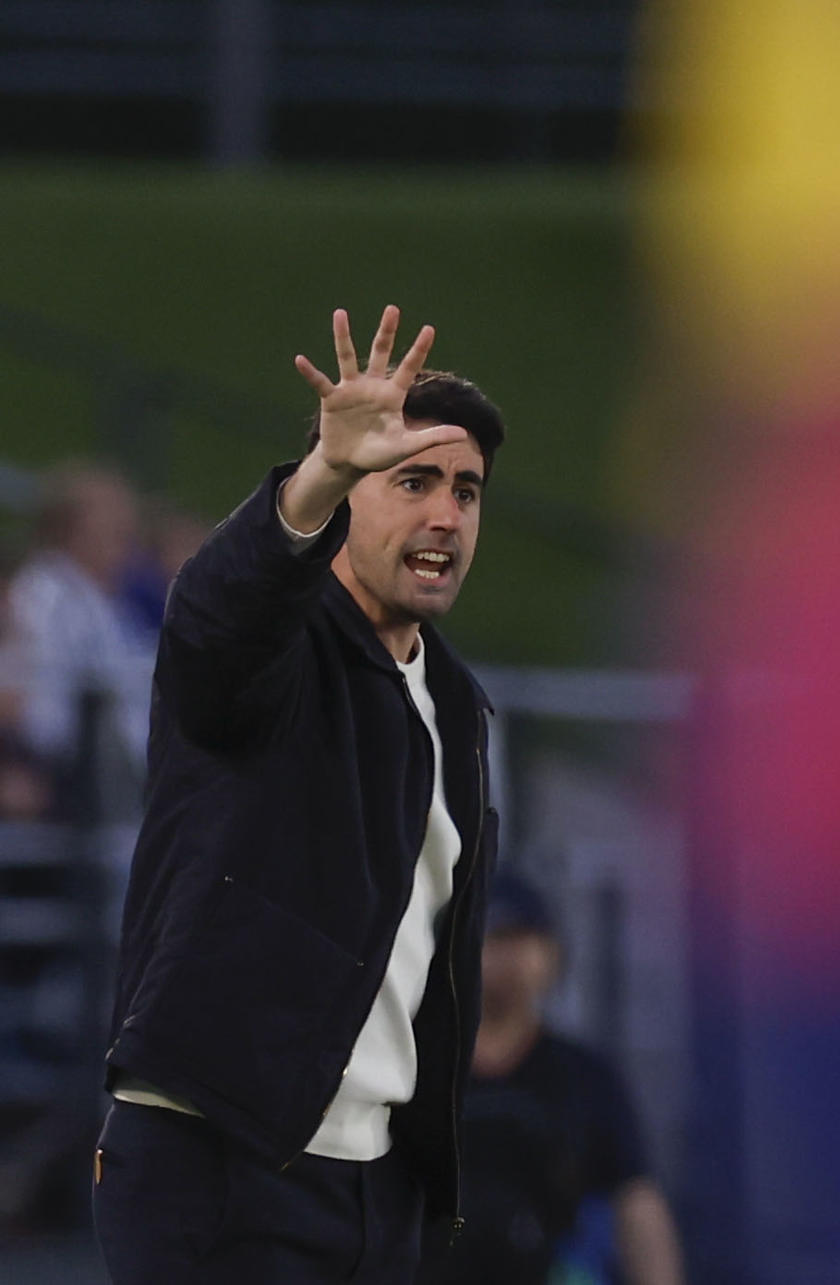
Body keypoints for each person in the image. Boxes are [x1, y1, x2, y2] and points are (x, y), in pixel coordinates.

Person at [91, 306, 505, 1284]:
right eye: (412, 481)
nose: (445, 514)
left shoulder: (458, 703)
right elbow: (212, 625)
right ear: (352, 499)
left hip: (373, 1187)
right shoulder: (279, 636)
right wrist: (318, 476)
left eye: (467, 490)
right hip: (219, 1153)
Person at [419, 870, 684, 1285]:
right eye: (496, 938)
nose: (513, 958)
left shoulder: (584, 1076)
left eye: (526, 940)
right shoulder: (420, 1071)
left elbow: (637, 1204)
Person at [0, 463, 153, 807]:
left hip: (122, 770)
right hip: (70, 774)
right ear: (73, 527)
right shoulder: (45, 594)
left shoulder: (108, 605)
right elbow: (40, 705)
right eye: (110, 513)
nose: (127, 523)